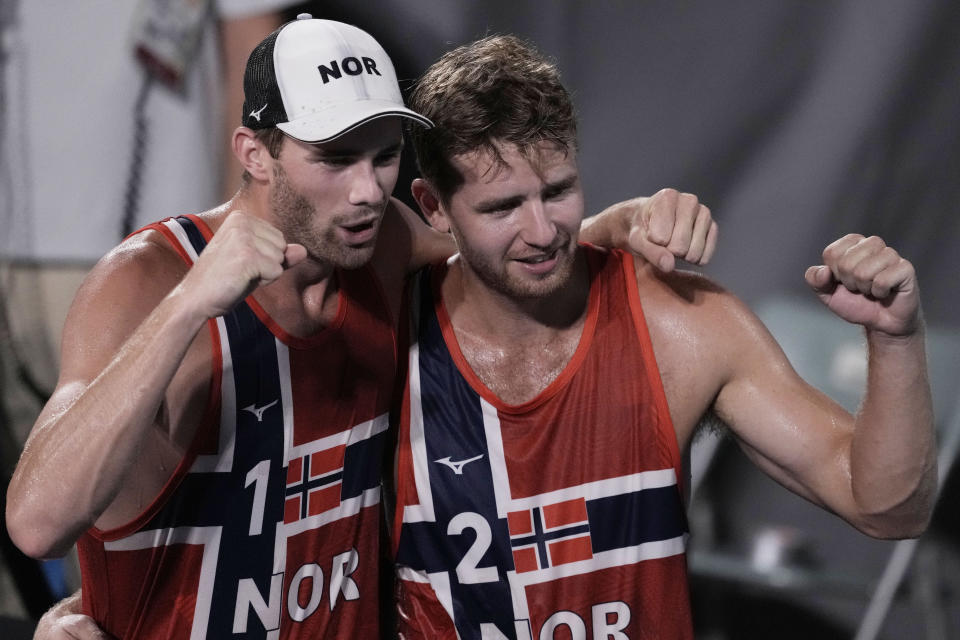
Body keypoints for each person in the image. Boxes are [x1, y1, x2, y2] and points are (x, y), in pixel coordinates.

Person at [7, 15, 718, 639]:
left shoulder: (379, 250)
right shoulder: (145, 280)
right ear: (254, 153)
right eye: (335, 158)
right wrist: (191, 304)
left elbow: (506, 247)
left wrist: (619, 222)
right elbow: (38, 522)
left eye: (382, 156)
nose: (366, 190)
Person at [389, 34, 936, 638]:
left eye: (558, 191)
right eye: (502, 208)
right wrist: (611, 224)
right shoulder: (385, 336)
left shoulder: (677, 326)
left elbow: (887, 507)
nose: (542, 231)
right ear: (434, 206)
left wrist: (895, 340)